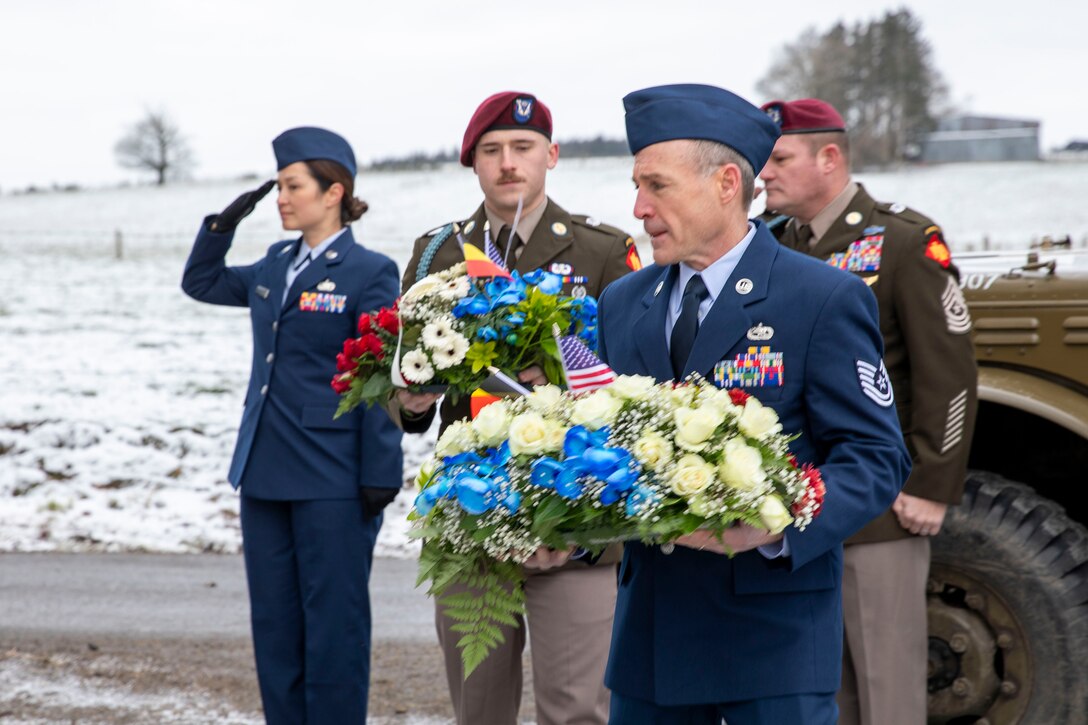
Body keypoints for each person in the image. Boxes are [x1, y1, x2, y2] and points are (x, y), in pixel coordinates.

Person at [595, 83, 912, 724]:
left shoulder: (821, 297)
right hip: (649, 645)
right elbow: (600, 449)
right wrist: (564, 531)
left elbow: (876, 458)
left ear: (726, 183)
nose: (638, 208)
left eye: (657, 186)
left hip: (773, 644)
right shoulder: (623, 303)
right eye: (636, 186)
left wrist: (780, 524)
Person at [397, 91, 641, 725]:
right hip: (471, 511)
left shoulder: (604, 252)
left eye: (523, 148)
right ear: (473, 164)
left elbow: (633, 385)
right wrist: (410, 397)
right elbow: (410, 392)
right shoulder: (436, 255)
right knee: (478, 710)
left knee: (577, 710)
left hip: (577, 513)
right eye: (492, 151)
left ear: (551, 156)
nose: (508, 163)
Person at [758, 98, 979, 724]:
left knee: (886, 687)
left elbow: (949, 371)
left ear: (829, 158)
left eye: (778, 159)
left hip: (883, 508)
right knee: (819, 687)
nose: (763, 174)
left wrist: (931, 484)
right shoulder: (772, 243)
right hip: (796, 508)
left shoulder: (903, 241)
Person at [181, 126, 403, 724]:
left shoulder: (369, 271)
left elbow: (381, 374)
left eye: (291, 185)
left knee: (334, 628)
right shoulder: (273, 265)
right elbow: (200, 283)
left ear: (334, 192)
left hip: (332, 476)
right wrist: (222, 226)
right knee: (275, 627)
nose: (281, 197)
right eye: (277, 186)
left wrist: (381, 471)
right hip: (264, 470)